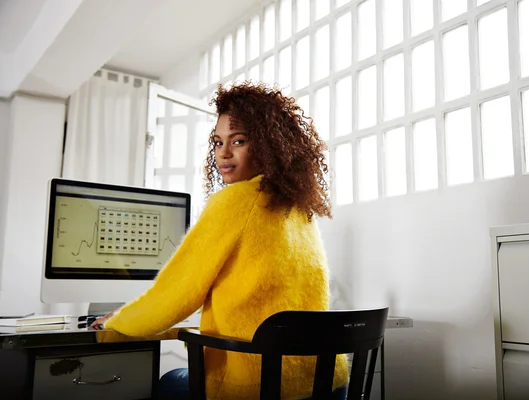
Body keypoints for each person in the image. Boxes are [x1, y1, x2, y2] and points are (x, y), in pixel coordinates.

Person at [91, 82, 349, 399]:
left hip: (258, 386)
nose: (223, 153)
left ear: (269, 145)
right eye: (217, 142)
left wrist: (118, 320)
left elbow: (173, 295)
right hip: (325, 383)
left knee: (167, 382)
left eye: (238, 141)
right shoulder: (298, 208)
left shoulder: (234, 202)